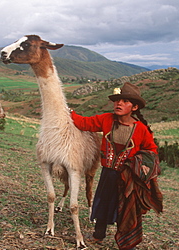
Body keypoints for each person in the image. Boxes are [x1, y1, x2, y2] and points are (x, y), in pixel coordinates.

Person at [70, 82, 163, 249]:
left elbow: (152, 150)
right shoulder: (106, 119)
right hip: (108, 174)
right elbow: (84, 123)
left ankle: (127, 243)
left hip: (127, 177)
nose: (119, 104)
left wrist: (142, 164)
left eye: (125, 101)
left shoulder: (141, 129)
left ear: (134, 107)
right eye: (117, 101)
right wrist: (69, 113)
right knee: (103, 203)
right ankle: (98, 235)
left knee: (126, 209)